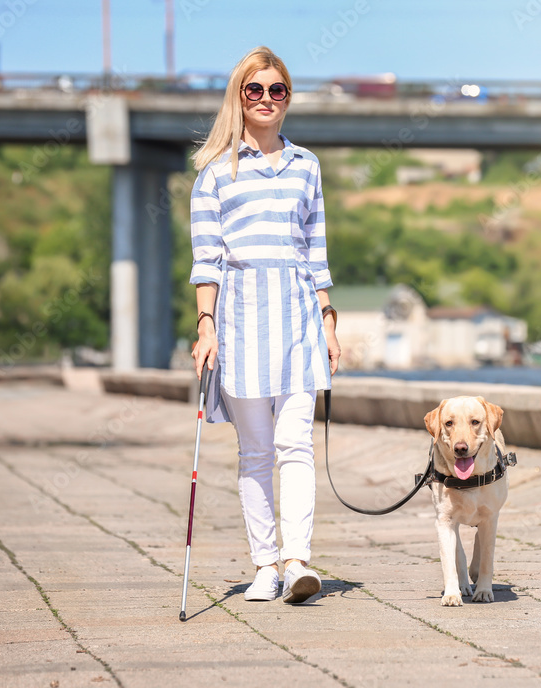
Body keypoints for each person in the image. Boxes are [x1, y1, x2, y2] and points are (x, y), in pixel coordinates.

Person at [189, 46, 341, 604]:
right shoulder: (214, 174)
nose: (266, 99)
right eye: (255, 89)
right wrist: (206, 326)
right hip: (242, 324)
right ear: (240, 96)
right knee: (256, 453)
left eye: (277, 90)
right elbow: (207, 261)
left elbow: (315, 250)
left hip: (299, 319)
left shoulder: (307, 165)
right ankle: (264, 565)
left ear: (288, 98)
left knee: (295, 444)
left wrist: (328, 320)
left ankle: (297, 562)